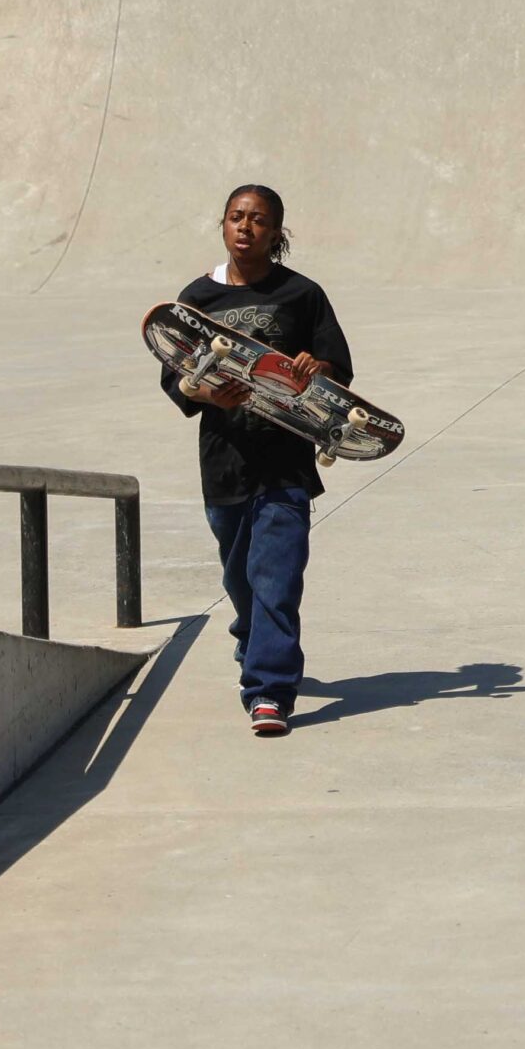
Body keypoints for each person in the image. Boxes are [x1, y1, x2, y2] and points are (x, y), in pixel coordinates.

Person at [161, 184, 353, 739]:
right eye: (236, 217)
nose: (246, 227)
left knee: (277, 574)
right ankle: (251, 629)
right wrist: (202, 393)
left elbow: (336, 369)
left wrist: (316, 369)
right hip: (225, 459)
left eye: (259, 220)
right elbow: (173, 375)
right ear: (223, 226)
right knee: (239, 575)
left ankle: (268, 690)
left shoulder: (302, 295)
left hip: (286, 460)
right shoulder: (196, 298)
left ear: (277, 233)